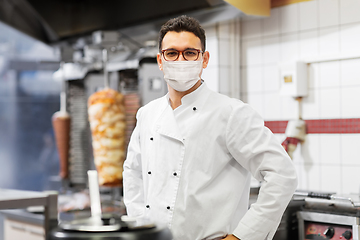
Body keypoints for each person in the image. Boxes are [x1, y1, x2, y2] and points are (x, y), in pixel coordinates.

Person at [123, 15, 298, 240]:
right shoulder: (147, 114)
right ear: (160, 60)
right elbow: (133, 173)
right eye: (172, 53)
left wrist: (242, 236)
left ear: (204, 59)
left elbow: (282, 175)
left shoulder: (231, 114)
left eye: (189, 53)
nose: (180, 60)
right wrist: (139, 225)